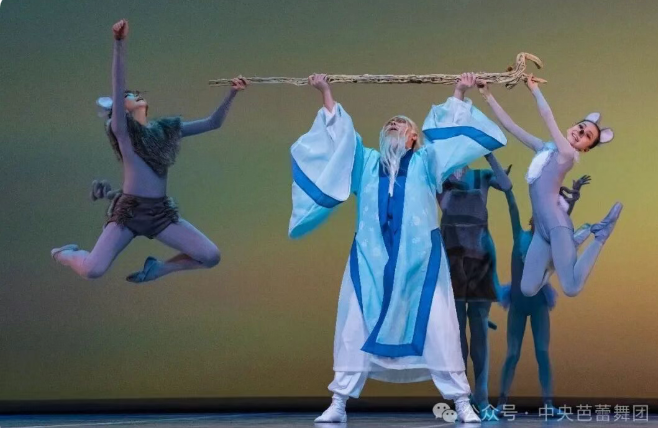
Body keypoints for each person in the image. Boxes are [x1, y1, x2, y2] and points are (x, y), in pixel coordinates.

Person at [288, 72, 507, 423]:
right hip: (371, 261)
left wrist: (459, 91)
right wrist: (325, 91)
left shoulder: (426, 162)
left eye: (401, 123)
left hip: (420, 264)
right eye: (389, 122)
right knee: (355, 326)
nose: (393, 124)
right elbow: (340, 138)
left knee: (439, 328)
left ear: (413, 137)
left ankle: (461, 402)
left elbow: (447, 138)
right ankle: (339, 402)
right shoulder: (365, 163)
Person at [51, 19, 247, 283]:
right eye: (128, 96)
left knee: (211, 256)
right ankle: (65, 254)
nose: (136, 96)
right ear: (120, 107)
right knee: (92, 270)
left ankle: (159, 268)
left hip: (160, 214)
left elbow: (213, 123)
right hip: (129, 212)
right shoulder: (122, 130)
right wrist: (119, 42)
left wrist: (232, 93)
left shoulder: (165, 131)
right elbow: (118, 84)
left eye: (136, 94)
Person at [478, 78, 621, 298]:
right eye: (580, 127)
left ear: (585, 149)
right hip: (541, 230)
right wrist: (487, 95)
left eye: (587, 136)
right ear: (573, 126)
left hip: (557, 226)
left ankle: (600, 235)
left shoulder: (567, 155)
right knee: (527, 289)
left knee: (571, 287)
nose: (580, 133)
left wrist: (534, 90)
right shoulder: (543, 148)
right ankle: (564, 251)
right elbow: (511, 126)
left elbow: (548, 118)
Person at [496, 171, 592, 417]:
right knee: (512, 354)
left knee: (541, 352)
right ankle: (501, 403)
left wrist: (574, 196)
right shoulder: (520, 235)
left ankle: (548, 404)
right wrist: (503, 182)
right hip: (518, 303)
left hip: (538, 303)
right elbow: (511, 205)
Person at [437, 153, 512, 413]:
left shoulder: (481, 175)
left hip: (480, 258)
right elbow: (443, 205)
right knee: (456, 331)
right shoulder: (439, 179)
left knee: (479, 328)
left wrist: (490, 155)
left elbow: (506, 185)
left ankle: (481, 396)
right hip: (452, 257)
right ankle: (462, 395)